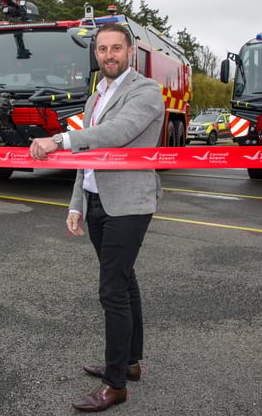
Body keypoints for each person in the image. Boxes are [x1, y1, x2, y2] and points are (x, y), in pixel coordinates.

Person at [30, 22, 164, 412]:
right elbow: (86, 161)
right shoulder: (95, 97)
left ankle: (115, 384)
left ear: (130, 52)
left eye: (116, 49)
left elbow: (118, 132)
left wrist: (60, 139)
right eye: (102, 49)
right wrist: (76, 204)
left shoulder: (146, 91)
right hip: (96, 199)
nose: (108, 55)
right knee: (125, 282)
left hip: (129, 204)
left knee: (112, 291)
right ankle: (130, 362)